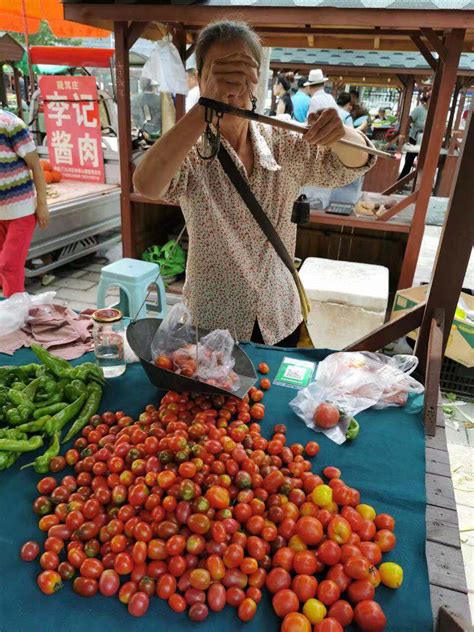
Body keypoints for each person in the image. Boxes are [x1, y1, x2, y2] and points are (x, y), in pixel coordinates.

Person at [133, 20, 374, 347]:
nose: (233, 83)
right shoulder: (189, 149)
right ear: (200, 78)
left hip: (280, 313)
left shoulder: (284, 142)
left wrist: (341, 133)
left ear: (258, 80)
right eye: (221, 72)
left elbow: (353, 163)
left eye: (243, 71)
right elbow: (147, 184)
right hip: (212, 320)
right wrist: (205, 108)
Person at [0, 109, 49, 297]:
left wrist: (42, 204)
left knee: (9, 265)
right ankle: (7, 309)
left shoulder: (11, 125)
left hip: (21, 211)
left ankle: (16, 315)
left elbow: (36, 166)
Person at [398, 93, 430, 180]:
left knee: (424, 163)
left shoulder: (433, 111)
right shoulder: (418, 109)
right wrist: (406, 137)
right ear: (427, 100)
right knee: (408, 162)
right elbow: (408, 122)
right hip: (414, 139)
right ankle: (400, 182)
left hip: (425, 140)